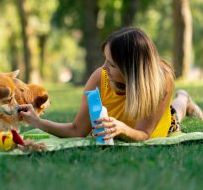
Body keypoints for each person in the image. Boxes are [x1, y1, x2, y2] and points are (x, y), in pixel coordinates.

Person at [19, 27, 203, 142]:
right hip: (124, 123)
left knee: (175, 115)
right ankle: (183, 99)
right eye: (105, 59)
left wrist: (122, 129)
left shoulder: (161, 81)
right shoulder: (100, 78)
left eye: (112, 64)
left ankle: (184, 99)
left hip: (161, 127)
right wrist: (38, 121)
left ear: (132, 70)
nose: (104, 68)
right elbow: (77, 129)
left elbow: (143, 134)